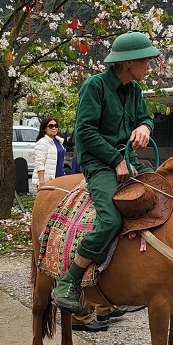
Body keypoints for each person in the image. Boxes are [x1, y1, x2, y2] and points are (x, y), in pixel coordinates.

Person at [51, 32, 157, 313]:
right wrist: (115, 159)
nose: (149, 66)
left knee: (166, 195)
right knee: (110, 219)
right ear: (129, 62)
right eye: (146, 61)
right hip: (99, 164)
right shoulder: (94, 86)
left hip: (129, 160)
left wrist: (144, 127)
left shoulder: (134, 90)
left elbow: (145, 117)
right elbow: (84, 132)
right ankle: (69, 280)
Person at [33, 115, 65, 190]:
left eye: (56, 126)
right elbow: (39, 163)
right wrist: (41, 182)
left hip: (59, 178)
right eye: (51, 126)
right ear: (45, 128)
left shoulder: (58, 142)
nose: (54, 128)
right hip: (47, 180)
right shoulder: (42, 142)